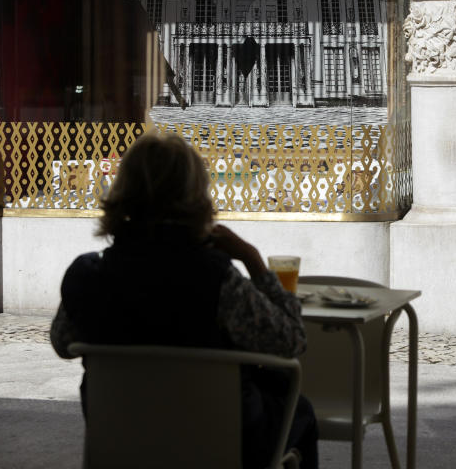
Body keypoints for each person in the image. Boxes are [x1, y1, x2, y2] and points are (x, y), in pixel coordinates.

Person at [50, 132, 318, 468]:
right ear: (194, 196)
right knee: (301, 410)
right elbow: (291, 340)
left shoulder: (86, 276)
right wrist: (253, 261)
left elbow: (63, 343)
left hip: (124, 440)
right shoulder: (218, 280)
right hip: (218, 441)